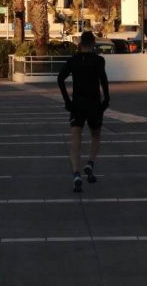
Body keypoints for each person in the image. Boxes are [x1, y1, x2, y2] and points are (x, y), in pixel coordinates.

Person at [57, 30, 110, 193]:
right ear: (93, 44)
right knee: (96, 135)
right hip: (94, 104)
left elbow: (60, 78)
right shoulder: (99, 60)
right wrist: (106, 100)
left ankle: (76, 174)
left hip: (77, 104)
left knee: (75, 140)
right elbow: (103, 80)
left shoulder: (73, 60)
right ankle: (90, 164)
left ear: (80, 44)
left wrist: (67, 100)